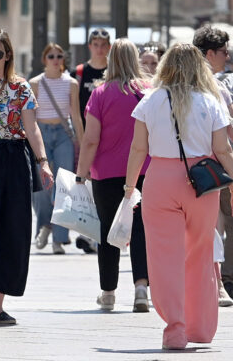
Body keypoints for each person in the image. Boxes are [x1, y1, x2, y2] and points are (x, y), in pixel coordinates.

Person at [126, 44, 233, 350]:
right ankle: (200, 327)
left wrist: (129, 186)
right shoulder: (211, 102)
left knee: (164, 257)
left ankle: (175, 327)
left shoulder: (150, 100)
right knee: (200, 254)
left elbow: (138, 149)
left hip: (160, 179)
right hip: (202, 182)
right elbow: (223, 149)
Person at [0, 28, 53, 325]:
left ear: (8, 56)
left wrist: (43, 162)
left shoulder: (21, 88)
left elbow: (32, 128)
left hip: (17, 158)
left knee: (13, 230)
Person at [74, 38, 150, 313]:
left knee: (108, 230)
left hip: (106, 173)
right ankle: (141, 288)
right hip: (144, 170)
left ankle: (109, 292)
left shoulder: (100, 92)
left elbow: (91, 139)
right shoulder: (149, 91)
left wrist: (81, 174)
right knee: (141, 229)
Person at [190, 26, 233, 307]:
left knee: (210, 227)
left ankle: (215, 282)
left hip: (198, 165)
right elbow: (226, 132)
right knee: (213, 226)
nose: (227, 55)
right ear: (209, 54)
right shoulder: (213, 87)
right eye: (223, 51)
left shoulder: (191, 84)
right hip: (212, 166)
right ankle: (216, 284)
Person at [29, 44, 84, 254]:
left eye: (59, 56)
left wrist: (82, 143)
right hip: (41, 132)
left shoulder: (71, 83)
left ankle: (59, 239)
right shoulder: (34, 83)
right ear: (44, 59)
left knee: (64, 186)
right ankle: (45, 225)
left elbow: (76, 117)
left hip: (63, 134)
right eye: (51, 56)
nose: (55, 59)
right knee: (43, 186)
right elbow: (30, 117)